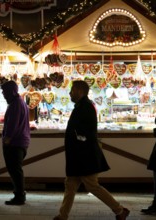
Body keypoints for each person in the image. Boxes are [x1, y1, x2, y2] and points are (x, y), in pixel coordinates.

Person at [53, 80, 130, 220]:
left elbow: (85, 133)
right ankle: (63, 215)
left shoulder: (86, 107)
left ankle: (120, 210)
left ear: (80, 91)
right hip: (78, 155)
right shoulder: (83, 106)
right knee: (70, 186)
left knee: (92, 186)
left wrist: (76, 139)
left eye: (72, 90)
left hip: (84, 155)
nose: (70, 93)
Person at [1, 80, 30, 205]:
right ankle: (19, 194)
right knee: (16, 170)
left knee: (15, 170)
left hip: (15, 142)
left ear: (11, 92)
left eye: (4, 92)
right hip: (20, 141)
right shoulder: (19, 102)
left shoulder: (15, 104)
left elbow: (13, 123)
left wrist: (7, 138)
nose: (3, 94)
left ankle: (19, 196)